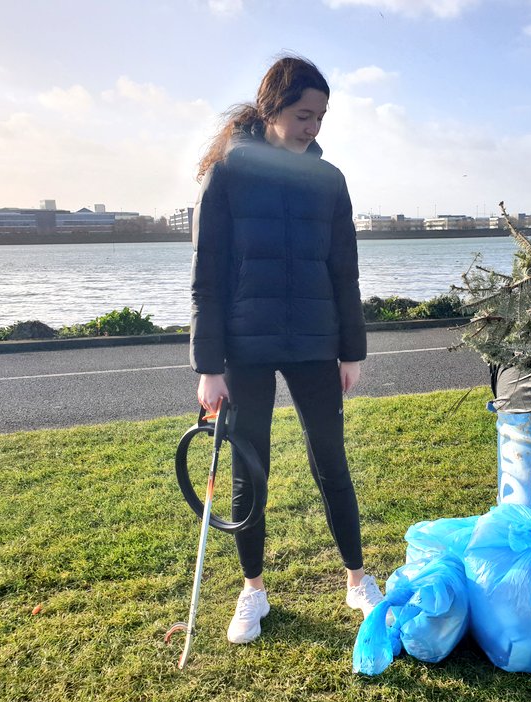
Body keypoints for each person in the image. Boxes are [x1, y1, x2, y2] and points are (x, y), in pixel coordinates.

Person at [190, 55, 383, 644]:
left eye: (322, 117)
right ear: (272, 109)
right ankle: (253, 592)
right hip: (244, 346)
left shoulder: (330, 180)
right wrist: (208, 368)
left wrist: (352, 350)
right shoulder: (226, 173)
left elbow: (344, 271)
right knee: (252, 469)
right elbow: (207, 275)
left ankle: (356, 579)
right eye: (304, 115)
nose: (313, 128)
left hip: (316, 340)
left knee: (332, 460)